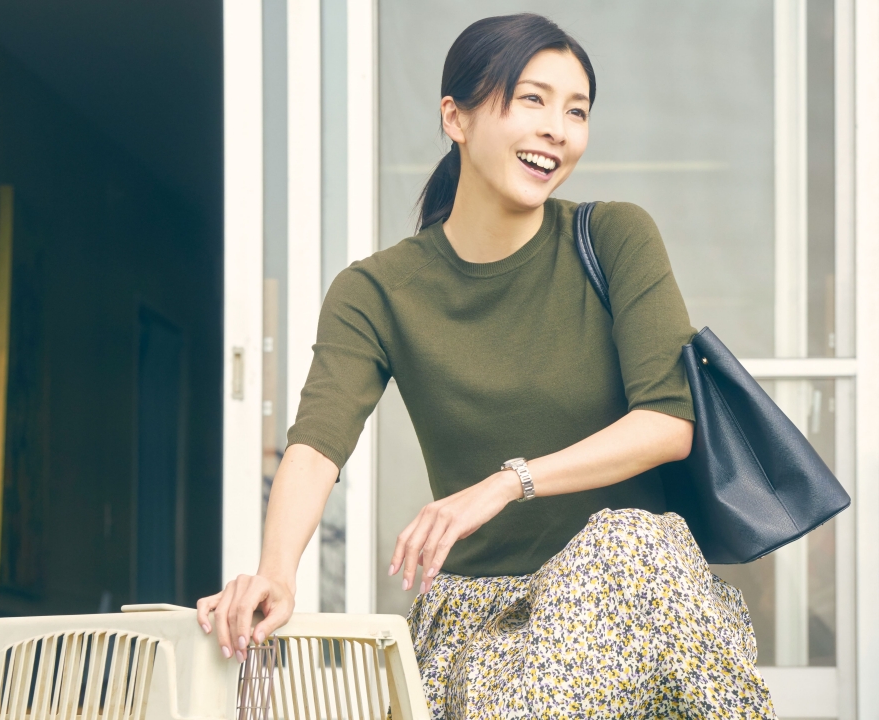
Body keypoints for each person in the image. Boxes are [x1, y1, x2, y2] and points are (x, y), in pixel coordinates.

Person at [197, 13, 774, 718]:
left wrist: (506, 483)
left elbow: (668, 422)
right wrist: (276, 575)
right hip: (483, 622)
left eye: (577, 110)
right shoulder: (377, 292)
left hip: (636, 600)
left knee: (630, 540)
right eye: (531, 99)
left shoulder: (616, 236)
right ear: (456, 118)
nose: (557, 128)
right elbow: (316, 443)